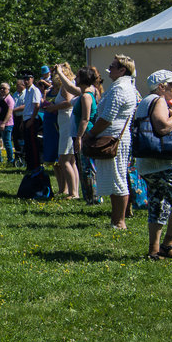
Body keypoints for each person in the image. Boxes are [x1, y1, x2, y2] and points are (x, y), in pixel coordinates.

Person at [135, 70, 172, 261]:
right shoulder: (159, 100)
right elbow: (162, 127)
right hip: (161, 163)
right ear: (161, 86)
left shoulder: (145, 101)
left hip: (148, 163)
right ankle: (169, 244)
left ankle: (153, 251)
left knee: (158, 205)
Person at [85, 55, 139, 230]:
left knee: (118, 179)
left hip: (113, 138)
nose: (109, 68)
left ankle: (119, 221)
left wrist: (91, 134)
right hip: (114, 137)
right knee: (116, 178)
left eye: (113, 66)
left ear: (122, 70)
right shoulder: (121, 86)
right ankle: (116, 219)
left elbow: (107, 117)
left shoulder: (121, 88)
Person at [43, 63, 80, 199]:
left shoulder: (66, 87)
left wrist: (54, 107)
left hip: (67, 124)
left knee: (64, 159)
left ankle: (73, 192)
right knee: (71, 161)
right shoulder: (66, 86)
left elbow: (69, 102)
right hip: (65, 123)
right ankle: (73, 190)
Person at [71, 67, 102, 205]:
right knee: (84, 166)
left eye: (77, 77)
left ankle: (93, 197)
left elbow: (85, 118)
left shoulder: (86, 96)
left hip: (86, 134)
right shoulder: (86, 94)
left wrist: (79, 137)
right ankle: (90, 196)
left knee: (87, 167)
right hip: (84, 134)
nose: (75, 79)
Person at [14, 70, 44, 171]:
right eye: (25, 79)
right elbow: (27, 107)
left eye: (28, 79)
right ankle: (30, 165)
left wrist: (31, 120)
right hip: (26, 118)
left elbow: (37, 106)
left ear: (32, 79)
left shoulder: (35, 90)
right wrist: (23, 121)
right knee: (28, 144)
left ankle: (35, 165)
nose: (26, 81)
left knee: (33, 144)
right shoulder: (27, 91)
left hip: (32, 119)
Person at [0, 82, 15, 167]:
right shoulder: (0, 98)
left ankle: (10, 159)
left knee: (7, 142)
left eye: (4, 88)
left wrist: (4, 123)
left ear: (8, 90)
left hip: (7, 124)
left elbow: (9, 113)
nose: (2, 90)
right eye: (1, 88)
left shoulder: (10, 99)